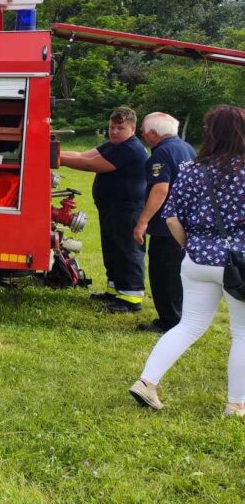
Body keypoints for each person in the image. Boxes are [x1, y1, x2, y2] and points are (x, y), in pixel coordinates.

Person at [129, 105, 245, 416]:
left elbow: (171, 218)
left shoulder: (192, 168)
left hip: (196, 259)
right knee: (242, 333)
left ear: (209, 133)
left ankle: (147, 381)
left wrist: (191, 248)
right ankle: (235, 404)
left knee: (189, 325)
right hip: (239, 263)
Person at [60, 107, 148, 313]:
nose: (114, 131)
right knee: (112, 249)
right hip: (112, 208)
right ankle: (114, 290)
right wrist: (53, 151)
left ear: (133, 128)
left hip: (127, 209)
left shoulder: (130, 148)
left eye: (120, 128)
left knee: (126, 250)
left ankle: (131, 298)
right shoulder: (115, 145)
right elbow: (82, 154)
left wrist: (56, 159)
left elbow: (91, 164)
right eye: (111, 127)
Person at [133, 112, 196, 332]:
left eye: (143, 129)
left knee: (163, 273)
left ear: (153, 133)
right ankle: (180, 316)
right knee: (177, 273)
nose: (141, 133)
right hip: (185, 221)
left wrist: (142, 222)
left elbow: (160, 189)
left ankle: (169, 321)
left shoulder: (161, 154)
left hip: (166, 226)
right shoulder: (187, 148)